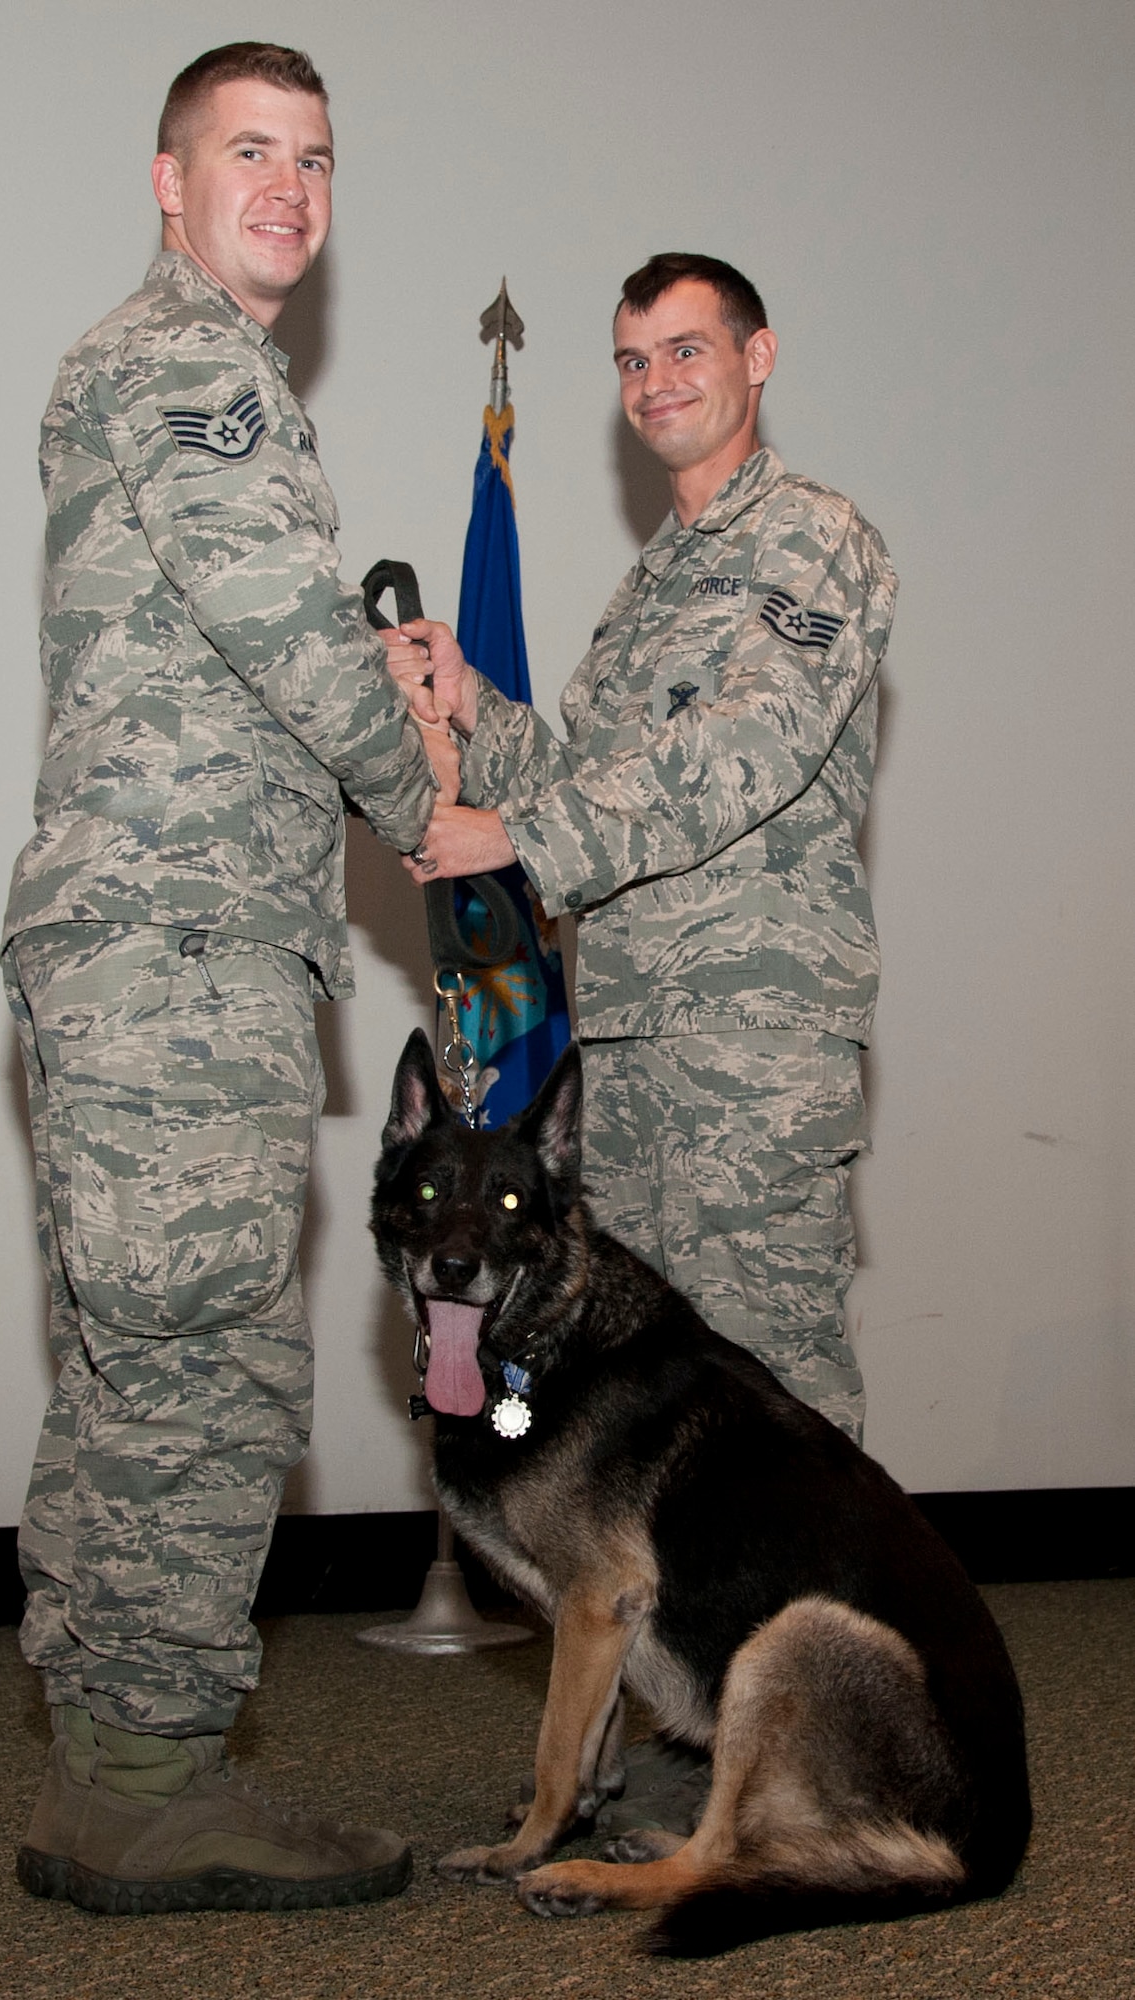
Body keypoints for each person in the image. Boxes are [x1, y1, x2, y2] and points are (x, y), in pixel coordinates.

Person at [1, 42, 434, 1915]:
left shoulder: (171, 367)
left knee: (136, 1365)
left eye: (315, 158)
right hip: (176, 954)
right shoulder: (194, 364)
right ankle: (159, 1786)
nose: (288, 184)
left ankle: (115, 1776)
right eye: (248, 150)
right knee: (197, 1372)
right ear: (166, 180)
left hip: (154, 942)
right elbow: (279, 624)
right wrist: (435, 806)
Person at [393, 253, 897, 1446]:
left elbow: (747, 747)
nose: (656, 380)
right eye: (633, 359)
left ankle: (820, 1640)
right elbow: (594, 784)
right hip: (625, 1048)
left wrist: (513, 833)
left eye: (686, 349)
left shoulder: (814, 537)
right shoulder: (648, 590)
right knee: (644, 1405)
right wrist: (477, 709)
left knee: (770, 1400)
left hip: (749, 1043)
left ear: (756, 357)